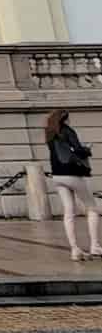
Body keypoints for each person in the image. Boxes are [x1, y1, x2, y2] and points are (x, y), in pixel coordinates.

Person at [46, 109, 102, 263]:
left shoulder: (49, 134)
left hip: (57, 176)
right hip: (72, 174)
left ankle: (74, 249)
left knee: (69, 212)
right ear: (65, 119)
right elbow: (77, 150)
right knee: (92, 208)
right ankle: (95, 246)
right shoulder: (68, 130)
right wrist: (87, 150)